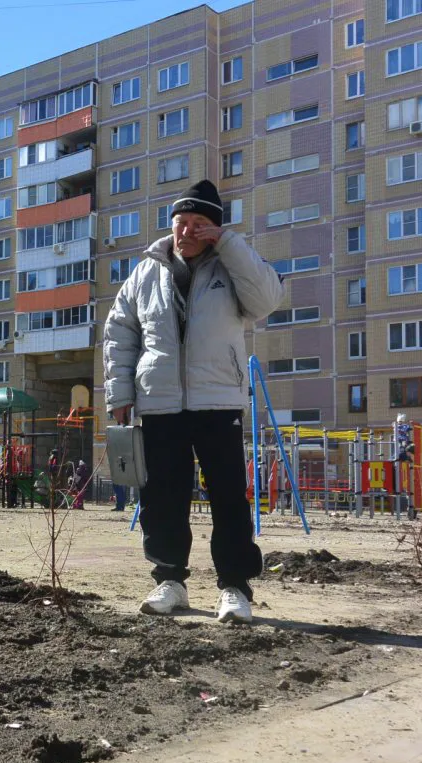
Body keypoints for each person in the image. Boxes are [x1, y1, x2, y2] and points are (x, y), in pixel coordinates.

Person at [103, 179, 284, 624]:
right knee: (161, 496)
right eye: (181, 222)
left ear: (214, 228)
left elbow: (266, 300)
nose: (186, 231)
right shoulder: (146, 271)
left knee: (228, 496)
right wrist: (120, 393)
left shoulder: (232, 265)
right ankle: (170, 580)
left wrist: (229, 244)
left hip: (218, 400)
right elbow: (120, 333)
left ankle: (235, 587)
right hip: (158, 401)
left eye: (199, 223)